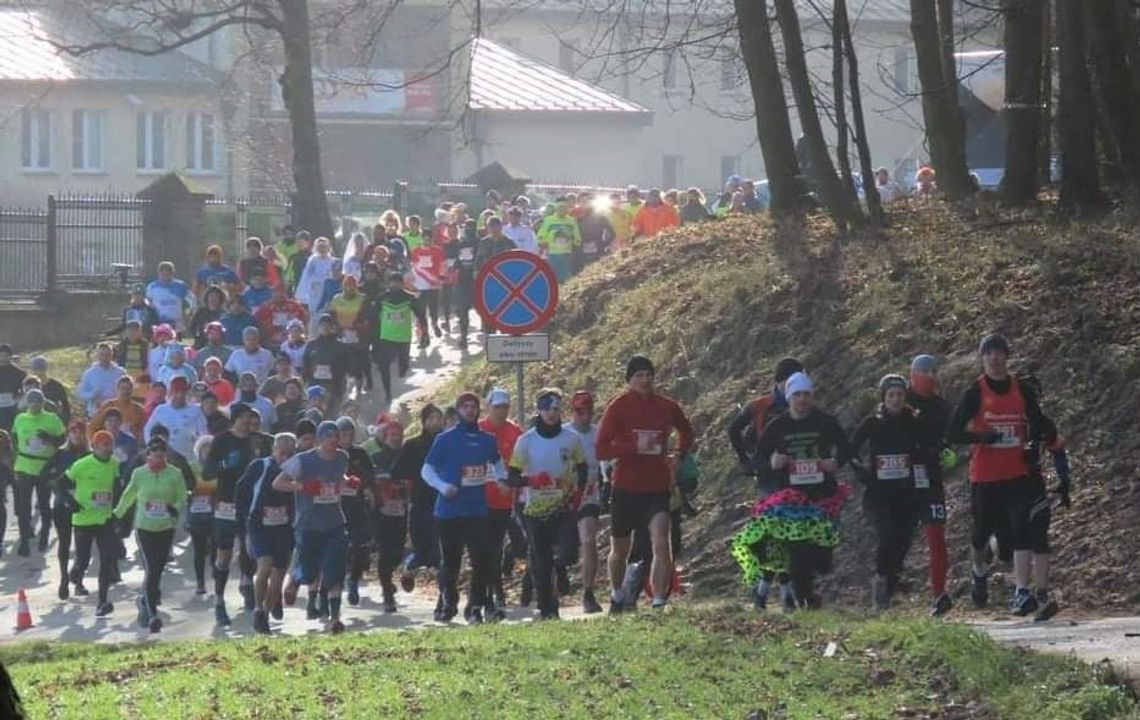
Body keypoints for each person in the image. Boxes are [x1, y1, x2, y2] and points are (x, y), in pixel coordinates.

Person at [948, 334, 1064, 622]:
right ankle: (978, 573)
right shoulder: (975, 392)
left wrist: (1035, 442)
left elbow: (1037, 421)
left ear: (1006, 357)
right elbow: (951, 433)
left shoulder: (1021, 389)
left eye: (999, 353)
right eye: (989, 354)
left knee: (1017, 535)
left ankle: (1022, 593)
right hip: (985, 476)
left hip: (1016, 474)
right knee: (980, 533)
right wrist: (981, 436)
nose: (995, 359)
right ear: (982, 358)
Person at [736, 372, 853, 610]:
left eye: (806, 394)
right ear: (788, 397)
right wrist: (771, 462)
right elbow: (757, 460)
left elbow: (846, 448)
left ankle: (806, 593)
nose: (802, 399)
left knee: (822, 560)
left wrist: (835, 461)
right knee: (798, 553)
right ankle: (805, 601)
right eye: (797, 395)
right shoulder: (777, 426)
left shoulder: (825, 422)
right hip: (791, 500)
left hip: (822, 496)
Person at [596, 355, 696, 613]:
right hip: (625, 487)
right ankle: (617, 594)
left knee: (662, 542)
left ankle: (659, 601)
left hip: (657, 487)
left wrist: (679, 454)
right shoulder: (618, 406)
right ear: (629, 380)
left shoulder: (666, 406)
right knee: (620, 549)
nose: (645, 380)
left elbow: (686, 431)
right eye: (639, 375)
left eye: (648, 375)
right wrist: (631, 447)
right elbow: (601, 448)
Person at [421, 392, 507, 624]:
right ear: (458, 411)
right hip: (448, 511)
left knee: (482, 560)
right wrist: (442, 486)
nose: (470, 410)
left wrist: (501, 480)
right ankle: (449, 599)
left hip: (477, 510)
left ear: (479, 410)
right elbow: (426, 470)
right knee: (451, 562)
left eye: (473, 407)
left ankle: (474, 607)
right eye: (465, 407)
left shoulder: (487, 439)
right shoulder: (446, 439)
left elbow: (497, 462)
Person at [727, 357, 804, 610]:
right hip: (769, 477)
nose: (795, 389)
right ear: (780, 382)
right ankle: (785, 592)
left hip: (798, 478)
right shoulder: (761, 405)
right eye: (790, 383)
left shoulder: (803, 404)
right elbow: (733, 429)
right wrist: (746, 462)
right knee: (776, 533)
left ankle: (764, 590)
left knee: (789, 535)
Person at [506, 390, 587, 621]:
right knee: (541, 561)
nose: (552, 414)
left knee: (570, 552)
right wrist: (531, 480)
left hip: (563, 507)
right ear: (539, 410)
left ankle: (560, 569)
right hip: (535, 510)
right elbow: (512, 477)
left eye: (556, 409)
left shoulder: (571, 439)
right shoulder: (527, 441)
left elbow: (582, 469)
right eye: (547, 409)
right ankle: (547, 608)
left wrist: (577, 496)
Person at [851, 375, 929, 611]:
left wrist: (921, 469)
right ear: (883, 398)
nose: (895, 399)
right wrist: (862, 473)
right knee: (887, 535)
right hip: (879, 494)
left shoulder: (914, 421)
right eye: (891, 395)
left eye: (900, 395)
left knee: (903, 541)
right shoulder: (872, 423)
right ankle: (880, 582)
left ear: (905, 398)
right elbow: (850, 450)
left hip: (906, 493)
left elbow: (926, 450)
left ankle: (889, 587)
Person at [274, 421, 351, 634]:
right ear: (319, 439)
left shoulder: (343, 458)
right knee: (309, 572)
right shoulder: (303, 461)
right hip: (308, 524)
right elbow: (278, 483)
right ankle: (295, 581)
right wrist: (302, 486)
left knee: (335, 571)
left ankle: (335, 618)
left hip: (335, 522)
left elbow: (338, 478)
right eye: (330, 437)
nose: (335, 441)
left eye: (338, 436)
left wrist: (348, 482)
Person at [113, 435, 187, 633]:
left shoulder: (175, 473)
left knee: (157, 569)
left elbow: (182, 495)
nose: (159, 459)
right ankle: (153, 613)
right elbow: (129, 494)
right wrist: (117, 515)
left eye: (162, 456)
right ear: (148, 455)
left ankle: (144, 599)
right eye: (155, 455)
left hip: (166, 527)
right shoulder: (139, 473)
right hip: (144, 527)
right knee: (152, 568)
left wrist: (175, 507)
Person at [202, 403, 264, 626]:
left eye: (252, 420)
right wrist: (226, 465)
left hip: (250, 504)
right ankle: (219, 601)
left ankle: (247, 581)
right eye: (245, 419)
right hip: (226, 503)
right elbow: (207, 472)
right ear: (235, 419)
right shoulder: (222, 440)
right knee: (224, 555)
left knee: (251, 549)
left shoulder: (259, 441)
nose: (249, 424)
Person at [906, 354, 958, 617]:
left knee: (936, 536)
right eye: (924, 370)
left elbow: (951, 437)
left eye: (933, 370)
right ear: (913, 374)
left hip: (930, 478)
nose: (929, 375)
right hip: (901, 481)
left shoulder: (942, 406)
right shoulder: (899, 399)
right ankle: (884, 589)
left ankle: (939, 594)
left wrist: (947, 451)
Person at [236, 432, 297, 634]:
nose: (285, 459)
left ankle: (266, 613)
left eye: (290, 454)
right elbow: (242, 489)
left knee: (279, 574)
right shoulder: (260, 466)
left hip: (284, 527)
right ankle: (259, 608)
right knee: (265, 565)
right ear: (273, 450)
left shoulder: (296, 470)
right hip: (259, 524)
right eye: (282, 453)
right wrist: (244, 516)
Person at [58, 429, 118, 616]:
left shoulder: (114, 464)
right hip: (83, 520)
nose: (108, 449)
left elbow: (116, 487)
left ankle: (102, 600)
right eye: (104, 446)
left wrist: (118, 514)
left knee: (106, 559)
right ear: (94, 447)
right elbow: (59, 484)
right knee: (82, 561)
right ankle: (74, 575)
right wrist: (71, 502)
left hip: (104, 520)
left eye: (110, 445)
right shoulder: (82, 465)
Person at [477, 388, 523, 612]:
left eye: (505, 407)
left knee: (495, 548)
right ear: (488, 408)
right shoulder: (478, 430)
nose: (502, 411)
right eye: (497, 407)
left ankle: (495, 589)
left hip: (504, 501)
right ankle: (490, 592)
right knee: (483, 549)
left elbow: (522, 463)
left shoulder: (515, 432)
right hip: (478, 500)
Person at [395, 404, 443, 593]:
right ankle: (409, 569)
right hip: (421, 502)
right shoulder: (413, 445)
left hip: (444, 502)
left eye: (438, 418)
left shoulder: (447, 442)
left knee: (440, 551)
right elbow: (398, 470)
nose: (435, 422)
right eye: (430, 418)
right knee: (421, 548)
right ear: (423, 421)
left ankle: (445, 596)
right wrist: (418, 476)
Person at [10, 389, 65, 556]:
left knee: (43, 504)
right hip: (24, 467)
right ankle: (24, 540)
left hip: (44, 468)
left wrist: (49, 438)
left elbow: (63, 440)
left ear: (43, 403)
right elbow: (13, 436)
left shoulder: (52, 419)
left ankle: (44, 536)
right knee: (23, 506)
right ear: (27, 402)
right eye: (31, 401)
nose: (34, 405)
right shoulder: (20, 418)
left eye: (37, 401)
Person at [565, 390, 605, 614]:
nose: (584, 416)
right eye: (580, 412)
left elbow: (607, 462)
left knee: (588, 540)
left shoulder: (598, 434)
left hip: (589, 494)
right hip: (564, 496)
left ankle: (588, 592)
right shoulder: (562, 433)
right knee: (562, 548)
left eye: (588, 411)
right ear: (572, 411)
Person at [361, 417, 405, 612]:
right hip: (380, 509)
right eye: (392, 435)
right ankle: (387, 592)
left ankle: (388, 576)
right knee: (386, 550)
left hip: (401, 508)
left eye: (399, 435)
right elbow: (367, 479)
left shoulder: (406, 455)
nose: (396, 438)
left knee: (397, 551)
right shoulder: (376, 457)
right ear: (385, 436)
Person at [336, 416, 376, 608]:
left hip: (357, 506)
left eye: (349, 434)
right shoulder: (330, 455)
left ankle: (354, 579)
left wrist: (365, 486)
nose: (346, 438)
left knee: (361, 545)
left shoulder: (360, 453)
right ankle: (333, 584)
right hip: (335, 508)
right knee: (340, 547)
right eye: (342, 434)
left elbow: (370, 475)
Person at [371, 271, 423, 404]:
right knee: (384, 366)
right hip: (386, 337)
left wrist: (425, 333)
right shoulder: (382, 298)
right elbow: (372, 316)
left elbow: (421, 315)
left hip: (403, 337)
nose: (395, 285)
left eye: (398, 282)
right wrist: (373, 336)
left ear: (402, 284)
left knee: (403, 369)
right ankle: (387, 392)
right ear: (388, 283)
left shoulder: (410, 298)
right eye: (392, 282)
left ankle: (403, 364)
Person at [143, 377, 207, 461]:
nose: (180, 395)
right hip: (165, 458)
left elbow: (203, 433)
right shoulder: (161, 410)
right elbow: (148, 430)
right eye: (176, 392)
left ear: (187, 392)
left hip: (188, 457)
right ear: (171, 392)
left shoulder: (195, 410)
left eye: (183, 392)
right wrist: (152, 447)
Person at [327, 275, 371, 395]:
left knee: (360, 361)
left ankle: (361, 384)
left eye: (352, 285)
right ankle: (342, 385)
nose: (350, 288)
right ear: (343, 286)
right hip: (342, 334)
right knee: (342, 361)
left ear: (356, 286)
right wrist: (335, 327)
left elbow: (367, 316)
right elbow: (331, 315)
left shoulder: (363, 298)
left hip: (359, 335)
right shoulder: (336, 298)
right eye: (347, 285)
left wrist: (359, 326)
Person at [187, 435, 217, 595]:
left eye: (210, 449)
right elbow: (184, 487)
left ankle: (216, 576)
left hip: (216, 514)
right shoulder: (191, 467)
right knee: (199, 550)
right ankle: (200, 583)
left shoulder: (220, 467)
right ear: (199, 451)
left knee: (215, 548)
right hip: (196, 515)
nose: (207, 452)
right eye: (204, 449)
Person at [303, 314, 349, 413]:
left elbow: (348, 365)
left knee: (332, 414)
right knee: (314, 413)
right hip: (314, 384)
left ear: (332, 327)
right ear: (318, 327)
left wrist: (335, 372)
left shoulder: (340, 346)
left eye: (328, 325)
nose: (325, 327)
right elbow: (305, 363)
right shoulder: (311, 344)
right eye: (322, 325)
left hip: (334, 386)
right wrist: (306, 378)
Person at [409, 228, 446, 342]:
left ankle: (434, 324)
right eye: (425, 239)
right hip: (420, 286)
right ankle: (424, 335)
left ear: (432, 239)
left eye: (429, 239)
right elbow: (413, 267)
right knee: (421, 311)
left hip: (433, 285)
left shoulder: (438, 251)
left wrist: (441, 277)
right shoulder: (415, 251)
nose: (427, 241)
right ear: (422, 238)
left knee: (433, 309)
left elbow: (442, 265)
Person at [296, 237, 339, 335]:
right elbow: (306, 277)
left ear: (328, 247)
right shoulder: (312, 261)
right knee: (315, 316)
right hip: (315, 292)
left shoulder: (334, 261)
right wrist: (303, 295)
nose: (322, 249)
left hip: (329, 292)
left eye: (324, 246)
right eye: (319, 247)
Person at [89, 375, 146, 442]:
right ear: (117, 390)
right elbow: (92, 426)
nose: (125, 391)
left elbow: (143, 431)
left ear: (132, 389)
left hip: (130, 445)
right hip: (107, 443)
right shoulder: (108, 406)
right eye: (122, 388)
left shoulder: (138, 409)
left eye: (128, 388)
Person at [450, 222, 480, 347]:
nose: (468, 230)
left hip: (477, 281)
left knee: (482, 309)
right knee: (462, 310)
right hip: (463, 280)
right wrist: (453, 267)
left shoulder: (480, 242)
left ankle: (489, 333)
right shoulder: (461, 243)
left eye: (470, 228)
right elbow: (459, 259)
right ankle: (463, 337)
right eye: (466, 228)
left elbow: (482, 258)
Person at [536, 199, 581, 281]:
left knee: (567, 281)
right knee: (552, 280)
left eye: (564, 207)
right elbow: (540, 236)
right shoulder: (549, 220)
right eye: (560, 207)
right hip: (553, 255)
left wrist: (572, 240)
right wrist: (543, 246)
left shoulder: (572, 221)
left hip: (567, 255)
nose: (562, 209)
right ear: (556, 208)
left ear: (567, 208)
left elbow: (577, 238)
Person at [76, 343, 127, 417]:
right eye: (101, 354)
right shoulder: (90, 373)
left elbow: (128, 390)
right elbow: (80, 393)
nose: (104, 357)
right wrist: (91, 395)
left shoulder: (120, 372)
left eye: (107, 354)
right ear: (97, 355)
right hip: (95, 414)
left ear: (112, 355)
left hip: (116, 414)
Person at [145, 261, 195, 332]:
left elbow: (191, 299)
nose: (165, 277)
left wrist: (190, 312)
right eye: (163, 274)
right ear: (159, 273)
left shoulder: (180, 285)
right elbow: (147, 300)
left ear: (172, 273)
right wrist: (150, 306)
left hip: (176, 323)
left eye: (167, 274)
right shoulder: (152, 286)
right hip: (159, 322)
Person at [256, 282, 309, 347]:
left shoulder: (295, 306)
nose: (278, 294)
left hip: (293, 344)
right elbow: (257, 323)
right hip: (270, 344)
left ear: (285, 293)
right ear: (271, 293)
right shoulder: (264, 308)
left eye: (281, 291)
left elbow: (305, 321)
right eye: (275, 292)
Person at [28, 356, 70, 427]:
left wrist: (64, 422)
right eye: (35, 369)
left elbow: (65, 405)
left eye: (41, 368)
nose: (38, 372)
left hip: (53, 421)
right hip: (34, 421)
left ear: (45, 369)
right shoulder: (30, 385)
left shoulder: (56, 385)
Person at [116, 320, 151, 386]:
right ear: (126, 331)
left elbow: (148, 362)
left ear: (140, 332)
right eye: (130, 331)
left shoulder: (145, 345)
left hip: (141, 377)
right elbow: (118, 362)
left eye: (135, 331)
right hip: (125, 376)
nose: (132, 333)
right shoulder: (121, 345)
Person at [0, 345, 24, 432]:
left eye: (5, 356)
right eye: (0, 355)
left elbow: (24, 391)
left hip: (12, 408)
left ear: (10, 357)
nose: (2, 359)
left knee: (11, 432)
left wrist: (18, 398)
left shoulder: (19, 373)